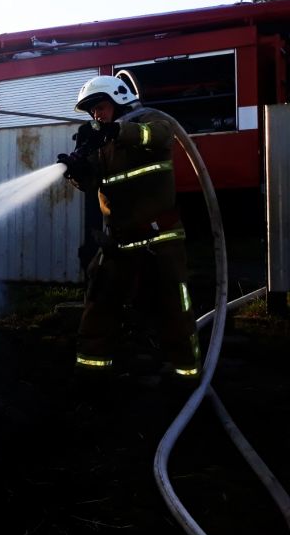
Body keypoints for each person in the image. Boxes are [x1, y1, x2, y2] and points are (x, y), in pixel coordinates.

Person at [57, 74, 201, 383]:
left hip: (160, 239)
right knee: (99, 306)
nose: (96, 115)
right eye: (92, 110)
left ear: (120, 99)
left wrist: (118, 130)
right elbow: (92, 182)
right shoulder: (102, 144)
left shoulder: (150, 121)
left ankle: (187, 376)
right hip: (119, 242)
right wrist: (76, 170)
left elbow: (159, 136)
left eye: (100, 107)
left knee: (174, 309)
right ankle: (91, 375)